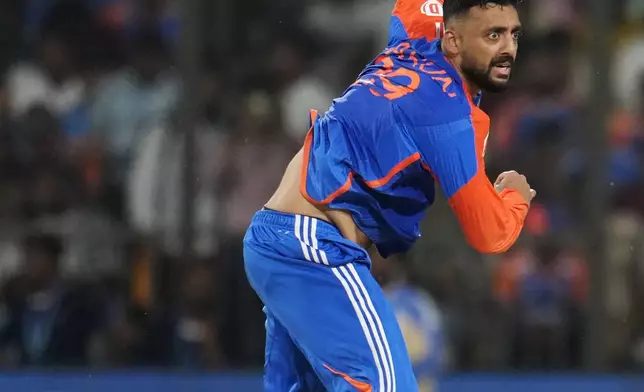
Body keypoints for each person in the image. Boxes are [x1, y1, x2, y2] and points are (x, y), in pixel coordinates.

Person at [244, 0, 534, 391]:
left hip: (280, 240)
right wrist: (515, 199)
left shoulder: (411, 41)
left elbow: (412, 7)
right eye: (492, 35)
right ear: (451, 41)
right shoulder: (449, 119)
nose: (507, 49)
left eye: (514, 34)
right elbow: (489, 233)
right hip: (313, 247)